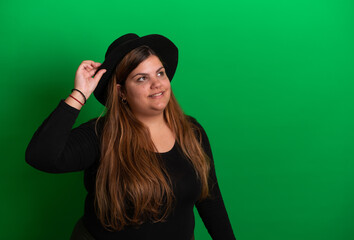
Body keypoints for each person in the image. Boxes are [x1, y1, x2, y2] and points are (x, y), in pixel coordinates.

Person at [26, 33, 236, 240]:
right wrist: (79, 94)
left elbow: (210, 201)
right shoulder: (101, 134)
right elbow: (41, 156)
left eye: (160, 73)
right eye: (142, 78)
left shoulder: (192, 132)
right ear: (121, 92)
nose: (157, 84)